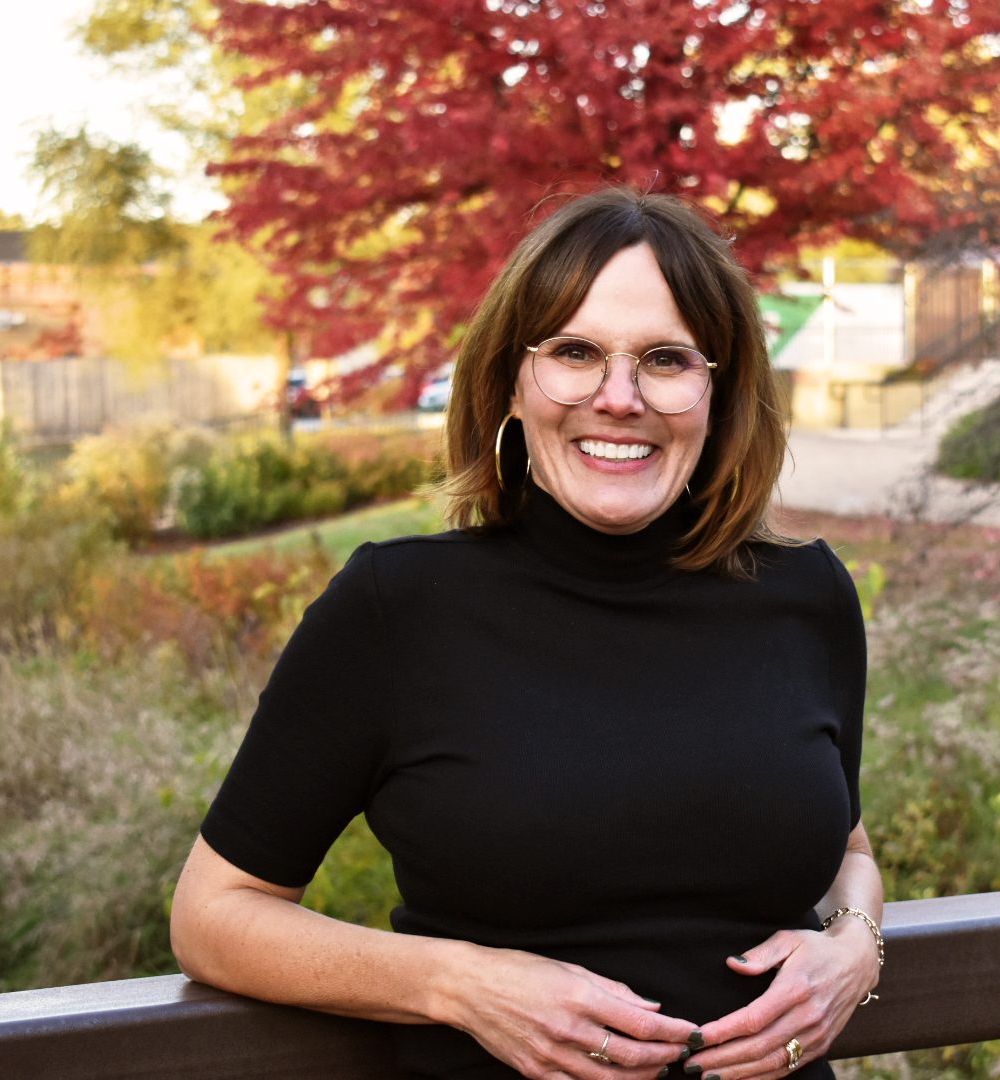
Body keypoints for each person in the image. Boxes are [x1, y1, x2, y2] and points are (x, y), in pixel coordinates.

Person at [170, 187, 884, 1080]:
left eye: (665, 359)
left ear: (721, 391)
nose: (617, 398)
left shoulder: (806, 594)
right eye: (575, 353)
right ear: (512, 380)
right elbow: (214, 913)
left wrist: (855, 945)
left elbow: (847, 849)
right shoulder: (398, 607)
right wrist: (458, 983)